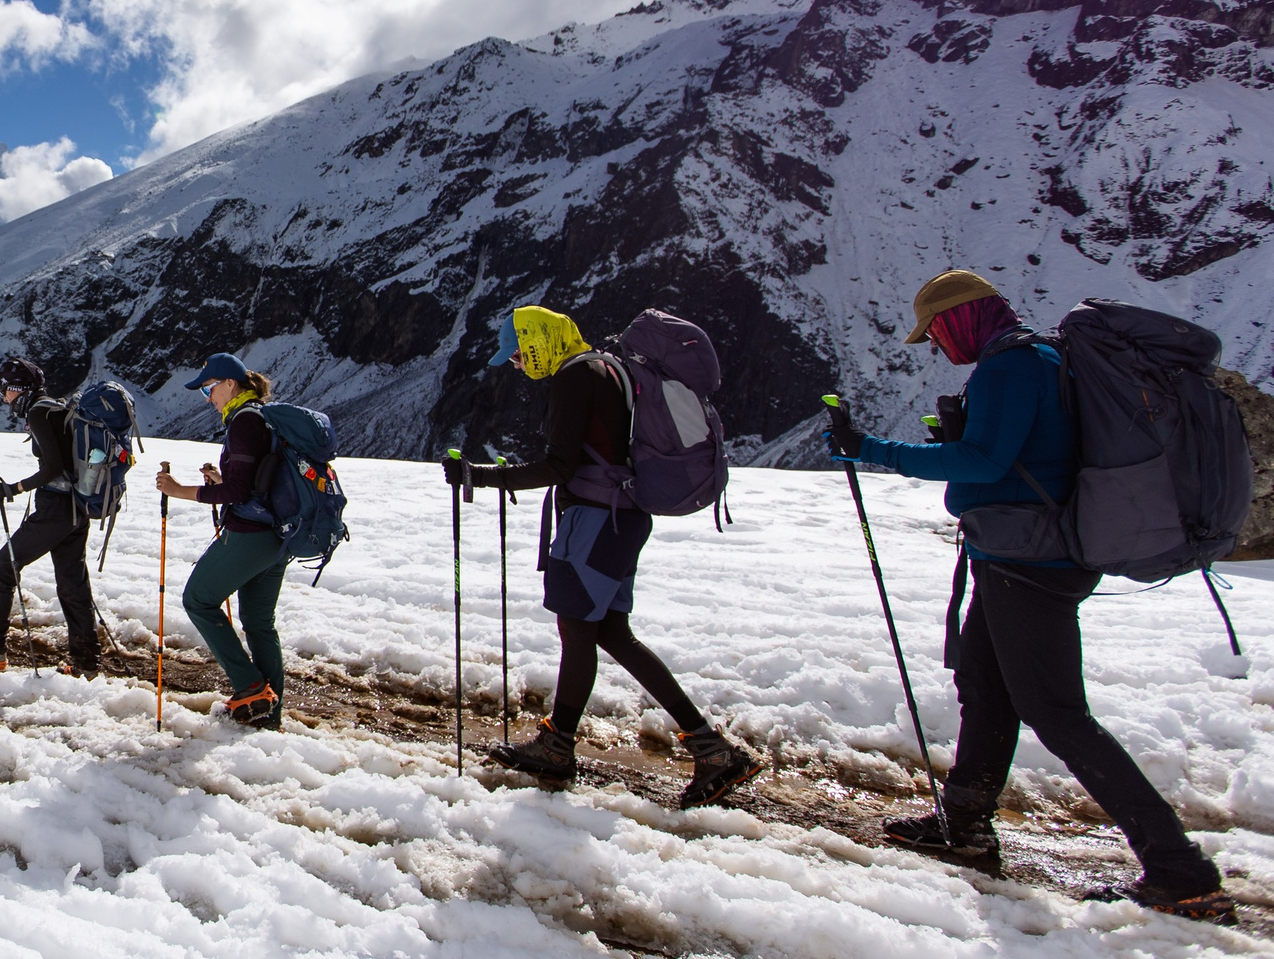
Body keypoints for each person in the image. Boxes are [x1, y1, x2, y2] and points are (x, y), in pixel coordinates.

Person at [827, 269, 1234, 922]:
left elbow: (985, 462)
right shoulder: (1035, 358)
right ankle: (965, 822)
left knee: (1057, 712)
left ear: (959, 317)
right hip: (1020, 555)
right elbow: (1017, 455)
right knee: (986, 687)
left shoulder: (1009, 367)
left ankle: (1180, 870)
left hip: (1029, 563)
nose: (936, 345)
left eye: (936, 332)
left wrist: (871, 449)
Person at [456, 306, 762, 809]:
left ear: (539, 343)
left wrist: (482, 476)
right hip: (622, 520)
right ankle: (709, 747)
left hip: (595, 523)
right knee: (612, 633)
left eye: (518, 353)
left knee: (579, 631)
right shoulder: (608, 367)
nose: (516, 364)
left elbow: (560, 465)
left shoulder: (574, 378)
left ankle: (559, 747)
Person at [154, 354, 289, 728]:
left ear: (230, 383)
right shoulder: (263, 417)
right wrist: (222, 481)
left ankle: (250, 687)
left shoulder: (244, 422)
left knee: (198, 599)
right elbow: (254, 484)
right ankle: (268, 715)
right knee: (259, 623)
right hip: (278, 537)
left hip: (249, 536)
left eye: (209, 389)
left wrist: (180, 490)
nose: (208, 398)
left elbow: (239, 491)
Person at [0, 356, 103, 676]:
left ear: (18, 388)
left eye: (5, 391)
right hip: (78, 507)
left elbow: (53, 468)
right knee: (72, 583)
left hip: (55, 510)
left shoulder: (38, 412)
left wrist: (15, 487)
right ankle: (86, 662)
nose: (4, 398)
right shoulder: (55, 407)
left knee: (2, 568)